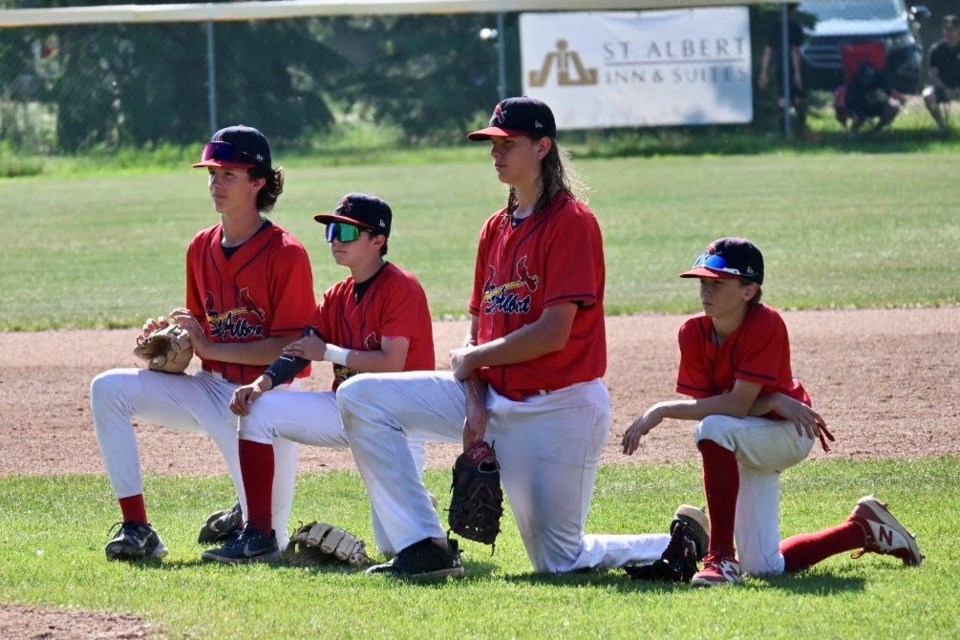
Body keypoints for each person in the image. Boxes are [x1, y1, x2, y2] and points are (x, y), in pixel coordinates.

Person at [335, 96, 707, 579]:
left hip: (558, 408)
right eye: (493, 143)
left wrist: (472, 364)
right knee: (362, 397)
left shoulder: (572, 223)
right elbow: (478, 329)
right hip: (492, 395)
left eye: (508, 143)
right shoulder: (495, 228)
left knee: (557, 560)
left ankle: (677, 543)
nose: (495, 153)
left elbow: (554, 333)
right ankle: (423, 545)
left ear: (542, 146)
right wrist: (473, 399)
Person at [622, 237, 924, 587]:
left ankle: (720, 558)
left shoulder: (766, 324)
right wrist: (770, 401)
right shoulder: (693, 332)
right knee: (765, 567)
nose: (706, 291)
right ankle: (863, 529)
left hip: (788, 432)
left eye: (717, 284)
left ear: (748, 291)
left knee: (712, 428)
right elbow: (723, 403)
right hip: (748, 434)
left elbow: (731, 406)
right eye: (703, 282)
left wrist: (662, 409)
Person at [91, 125, 316, 560]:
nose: (215, 183)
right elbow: (203, 330)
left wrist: (211, 348)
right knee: (108, 389)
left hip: (269, 400)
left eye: (228, 173)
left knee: (272, 540)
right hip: (210, 389)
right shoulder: (200, 247)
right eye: (212, 173)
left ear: (259, 181)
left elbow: (291, 344)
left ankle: (245, 513)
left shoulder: (286, 252)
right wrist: (170, 337)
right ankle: (139, 527)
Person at [201, 193, 437, 563]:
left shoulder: (401, 286)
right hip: (347, 410)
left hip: (397, 422)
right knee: (259, 411)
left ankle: (421, 508)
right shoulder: (337, 295)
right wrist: (260, 384)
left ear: (378, 240)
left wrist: (329, 353)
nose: (336, 240)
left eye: (346, 231)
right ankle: (259, 534)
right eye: (332, 230)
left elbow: (392, 362)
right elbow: (300, 349)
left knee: (395, 546)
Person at [758, 3, 807, 134]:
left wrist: (765, 72)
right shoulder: (793, 27)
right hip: (790, 66)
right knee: (795, 98)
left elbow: (768, 52)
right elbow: (794, 51)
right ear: (790, 10)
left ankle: (786, 128)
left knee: (784, 97)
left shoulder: (775, 26)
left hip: (780, 66)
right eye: (795, 9)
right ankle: (792, 128)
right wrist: (797, 73)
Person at [843, 60, 904, 134]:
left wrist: (881, 95)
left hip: (879, 105)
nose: (866, 81)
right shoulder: (854, 83)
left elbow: (888, 92)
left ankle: (878, 129)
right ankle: (853, 132)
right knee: (859, 118)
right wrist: (860, 112)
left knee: (894, 106)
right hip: (861, 107)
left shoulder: (881, 78)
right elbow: (851, 101)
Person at [922, 14, 960, 133]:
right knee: (928, 95)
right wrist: (945, 89)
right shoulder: (936, 49)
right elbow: (933, 74)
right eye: (946, 29)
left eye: (951, 29)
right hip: (942, 88)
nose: (948, 32)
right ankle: (942, 127)